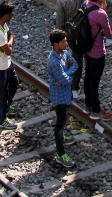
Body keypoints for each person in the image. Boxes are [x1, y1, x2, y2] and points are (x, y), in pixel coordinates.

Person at [79, 0, 112, 122]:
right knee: (95, 81)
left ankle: (87, 105)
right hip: (98, 51)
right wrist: (104, 10)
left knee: (88, 77)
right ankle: (95, 109)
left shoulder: (85, 6)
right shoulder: (100, 14)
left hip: (86, 48)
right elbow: (109, 34)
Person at [46, 30, 79, 169]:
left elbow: (75, 65)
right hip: (59, 97)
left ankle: (62, 138)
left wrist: (67, 74)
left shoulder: (63, 53)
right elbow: (65, 80)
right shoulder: (53, 62)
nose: (67, 43)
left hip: (65, 94)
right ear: (56, 44)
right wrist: (67, 77)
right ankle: (60, 154)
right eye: (64, 41)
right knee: (59, 125)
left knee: (63, 119)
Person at [54, 0, 88, 91]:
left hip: (73, 35)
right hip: (85, 31)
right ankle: (86, 87)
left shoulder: (61, 1)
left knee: (76, 60)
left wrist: (60, 41)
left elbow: (59, 24)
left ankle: (74, 86)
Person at [0, 1, 20, 130]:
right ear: (6, 15)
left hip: (7, 63)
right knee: (1, 93)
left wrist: (9, 41)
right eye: (11, 13)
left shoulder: (1, 25)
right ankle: (0, 119)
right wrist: (10, 42)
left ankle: (6, 105)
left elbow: (10, 35)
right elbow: (8, 50)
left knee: (14, 83)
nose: (12, 15)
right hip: (1, 66)